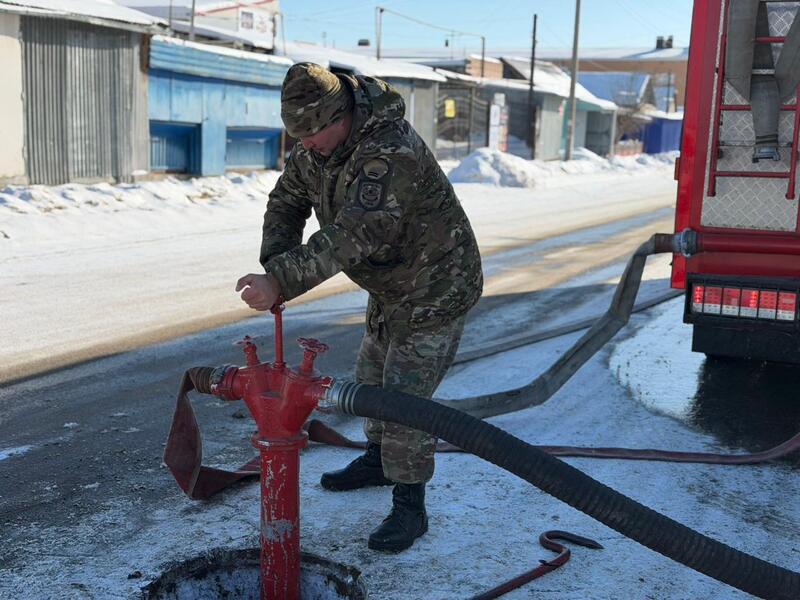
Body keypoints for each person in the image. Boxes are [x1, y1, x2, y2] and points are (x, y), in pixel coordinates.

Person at [235, 62, 483, 552]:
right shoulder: (317, 145)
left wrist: (281, 281)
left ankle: (410, 504)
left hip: (435, 284)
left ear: (341, 116)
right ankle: (377, 460)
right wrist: (275, 260)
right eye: (298, 136)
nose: (306, 145)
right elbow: (286, 201)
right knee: (370, 378)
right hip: (390, 284)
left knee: (404, 401)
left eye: (312, 134)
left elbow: (355, 235)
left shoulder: (389, 151)